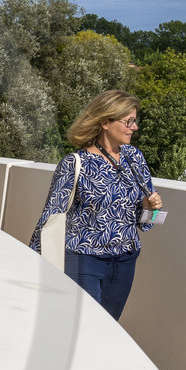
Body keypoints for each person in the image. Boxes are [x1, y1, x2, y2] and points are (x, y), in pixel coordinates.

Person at [29, 90, 162, 320]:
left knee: (107, 330)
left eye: (135, 121)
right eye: (129, 121)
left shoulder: (135, 158)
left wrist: (150, 208)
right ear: (105, 122)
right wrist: (30, 264)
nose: (135, 127)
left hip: (124, 263)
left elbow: (146, 224)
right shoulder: (74, 163)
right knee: (84, 326)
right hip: (84, 261)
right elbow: (50, 216)